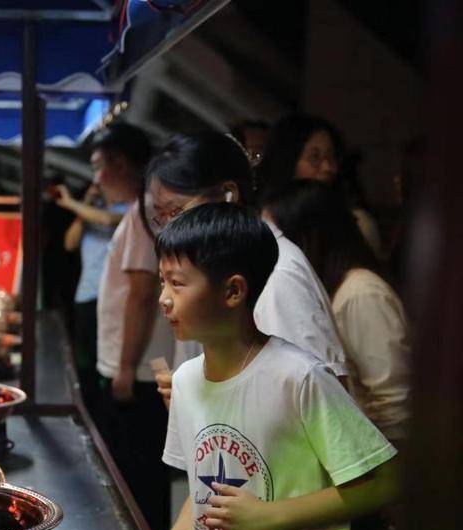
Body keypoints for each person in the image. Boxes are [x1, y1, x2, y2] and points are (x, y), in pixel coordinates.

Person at [158, 203, 399, 530]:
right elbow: (206, 483)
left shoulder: (298, 377)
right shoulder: (187, 382)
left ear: (233, 291)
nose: (164, 299)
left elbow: (386, 480)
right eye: (162, 281)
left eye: (178, 283)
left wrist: (267, 518)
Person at [263, 180, 410, 530]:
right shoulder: (335, 289)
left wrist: (388, 486)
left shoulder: (360, 293)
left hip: (375, 464)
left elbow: (395, 399)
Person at [144, 133, 349, 408]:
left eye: (176, 211)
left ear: (228, 195)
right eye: (160, 215)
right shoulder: (209, 266)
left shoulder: (276, 275)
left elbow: (323, 399)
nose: (168, 228)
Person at [90, 123, 174, 530]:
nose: (96, 179)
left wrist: (125, 367)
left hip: (138, 373)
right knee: (137, 475)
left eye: (99, 167)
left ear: (121, 164)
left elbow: (142, 293)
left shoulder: (144, 213)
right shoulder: (138, 212)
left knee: (136, 478)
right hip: (136, 368)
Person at [260, 113, 383, 260]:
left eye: (332, 157)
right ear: (287, 163)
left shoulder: (357, 223)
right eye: (315, 157)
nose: (328, 168)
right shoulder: (266, 219)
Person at [56, 182, 124, 412]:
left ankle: (104, 408)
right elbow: (69, 243)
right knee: (84, 363)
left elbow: (107, 219)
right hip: (85, 295)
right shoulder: (86, 214)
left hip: (111, 298)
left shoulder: (131, 209)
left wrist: (71, 203)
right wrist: (83, 204)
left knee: (103, 363)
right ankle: (88, 408)